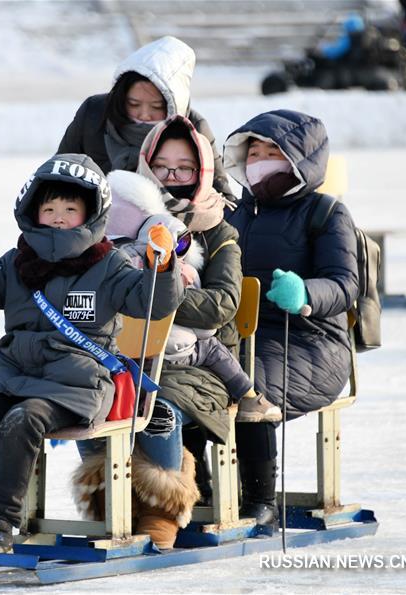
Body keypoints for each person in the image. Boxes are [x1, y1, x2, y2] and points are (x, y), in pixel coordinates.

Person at [0, 153, 183, 554]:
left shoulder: (111, 263)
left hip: (79, 386)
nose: (58, 216)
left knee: (22, 420)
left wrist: (161, 268)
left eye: (70, 209)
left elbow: (154, 304)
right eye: (50, 208)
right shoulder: (15, 263)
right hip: (14, 378)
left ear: (91, 214)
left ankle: (1, 527)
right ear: (32, 211)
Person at [72, 116, 252, 549]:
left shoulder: (218, 231)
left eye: (184, 168)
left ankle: (161, 510)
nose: (173, 177)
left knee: (158, 405)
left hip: (194, 360)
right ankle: (106, 502)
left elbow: (220, 305)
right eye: (163, 166)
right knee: (85, 396)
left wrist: (150, 296)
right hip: (119, 353)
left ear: (202, 173)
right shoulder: (118, 219)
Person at [224, 109, 359, 533]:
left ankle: (260, 501)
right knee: (192, 382)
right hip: (240, 336)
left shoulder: (326, 213)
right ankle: (206, 494)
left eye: (273, 152)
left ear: (301, 158)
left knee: (249, 387)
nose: (260, 160)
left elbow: (345, 285)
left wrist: (305, 295)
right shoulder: (235, 212)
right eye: (254, 151)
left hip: (312, 341)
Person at [56, 36, 234, 202]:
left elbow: (221, 196)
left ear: (173, 105)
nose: (144, 114)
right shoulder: (94, 113)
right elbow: (59, 172)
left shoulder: (192, 128)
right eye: (133, 104)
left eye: (156, 107)